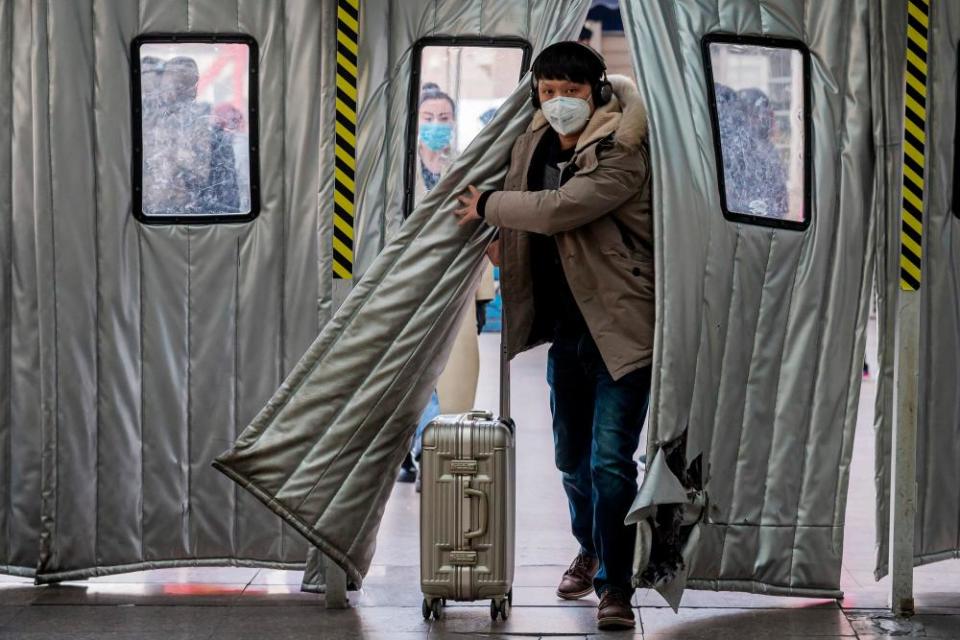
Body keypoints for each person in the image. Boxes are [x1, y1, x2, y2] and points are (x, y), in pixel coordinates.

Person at [454, 42, 652, 631]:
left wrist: (488, 205)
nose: (559, 103)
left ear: (595, 92)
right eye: (547, 92)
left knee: (611, 463)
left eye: (571, 92)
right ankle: (590, 548)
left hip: (622, 330)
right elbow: (538, 227)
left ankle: (618, 587)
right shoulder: (530, 144)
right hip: (568, 331)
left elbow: (566, 208)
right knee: (571, 460)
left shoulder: (623, 149)